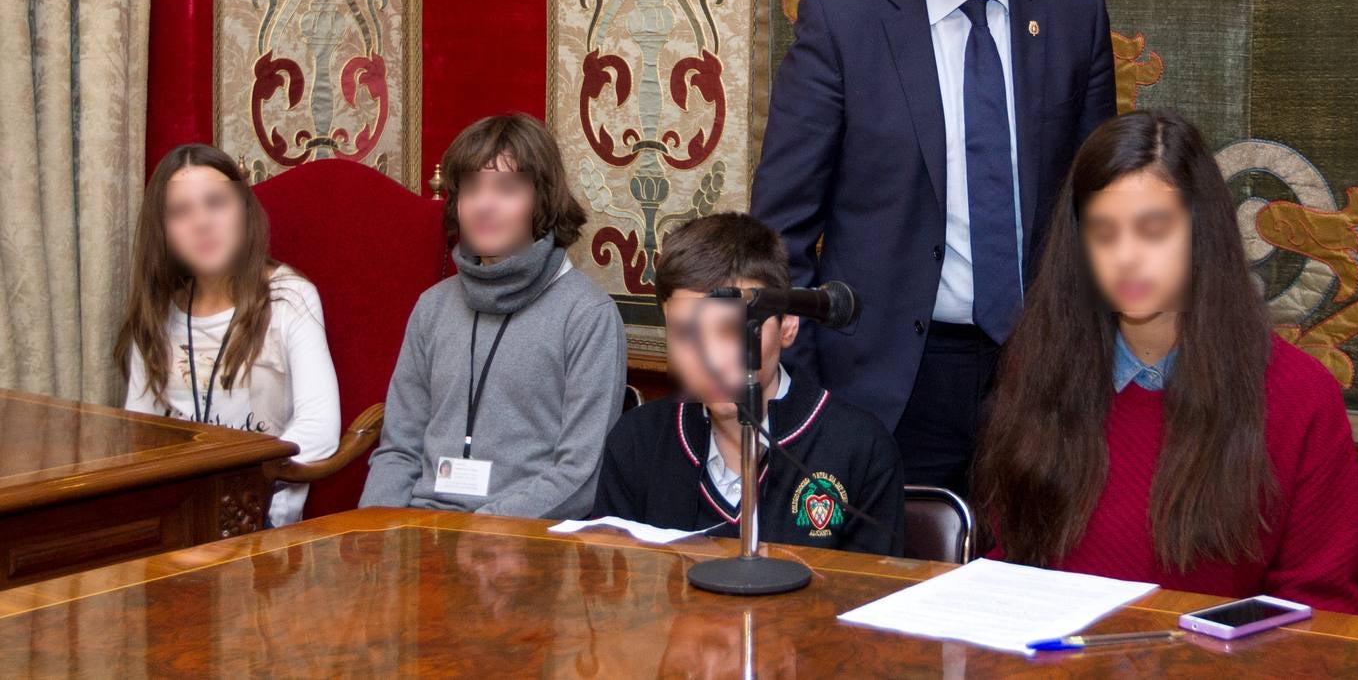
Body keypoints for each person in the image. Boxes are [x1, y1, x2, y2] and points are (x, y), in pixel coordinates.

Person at [751, 0, 1115, 493]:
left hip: (1043, 380)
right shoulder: (841, 26)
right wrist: (813, 386)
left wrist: (1087, 357)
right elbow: (781, 228)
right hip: (886, 387)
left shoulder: (1074, 15)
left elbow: (1099, 209)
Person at [972, 109, 1358, 612]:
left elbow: (1322, 611)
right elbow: (1014, 568)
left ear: (1202, 234)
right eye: (1103, 232)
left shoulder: (1298, 395)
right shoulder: (1040, 367)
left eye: (1153, 230)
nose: (1126, 257)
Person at [359, 114, 626, 518]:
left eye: (506, 188)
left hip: (522, 542)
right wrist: (373, 531)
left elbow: (580, 473)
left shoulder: (588, 315)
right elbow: (399, 449)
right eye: (471, 188)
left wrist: (478, 535)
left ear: (542, 200)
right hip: (420, 531)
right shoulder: (432, 306)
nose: (483, 204)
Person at [592, 213, 904, 555]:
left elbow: (871, 593)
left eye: (733, 331)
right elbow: (614, 587)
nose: (711, 359)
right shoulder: (637, 440)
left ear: (787, 325)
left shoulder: (860, 447)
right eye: (685, 335)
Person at [117, 144, 340, 527]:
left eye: (216, 203)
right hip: (175, 519)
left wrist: (236, 489)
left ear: (244, 211)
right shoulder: (155, 311)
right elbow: (141, 435)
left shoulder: (290, 297)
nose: (201, 223)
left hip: (259, 517)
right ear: (163, 231)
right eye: (180, 212)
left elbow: (320, 431)